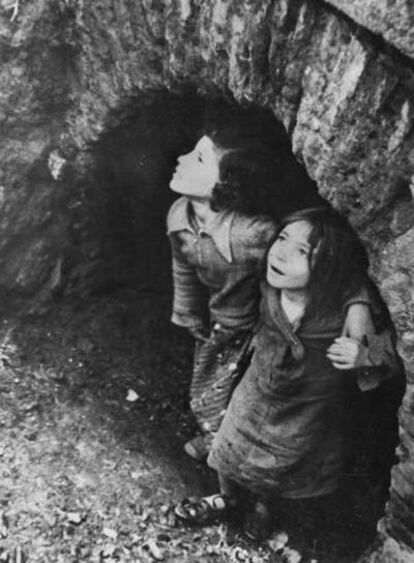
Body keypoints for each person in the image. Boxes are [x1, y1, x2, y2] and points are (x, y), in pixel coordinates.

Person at [174, 206, 401, 539]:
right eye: (282, 238)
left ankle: (265, 507)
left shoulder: (344, 306)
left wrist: (363, 354)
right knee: (231, 445)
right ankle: (229, 498)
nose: (281, 253)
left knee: (280, 465)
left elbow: (393, 354)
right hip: (256, 392)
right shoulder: (268, 287)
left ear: (329, 268)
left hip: (305, 408)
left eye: (302, 251)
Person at [167, 123, 374, 461]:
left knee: (235, 390)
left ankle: (224, 446)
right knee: (210, 385)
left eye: (199, 158)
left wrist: (357, 302)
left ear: (226, 185)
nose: (181, 158)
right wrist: (187, 309)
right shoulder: (178, 215)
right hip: (220, 321)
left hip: (258, 326)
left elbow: (319, 261)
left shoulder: (254, 233)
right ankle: (222, 441)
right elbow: (183, 264)